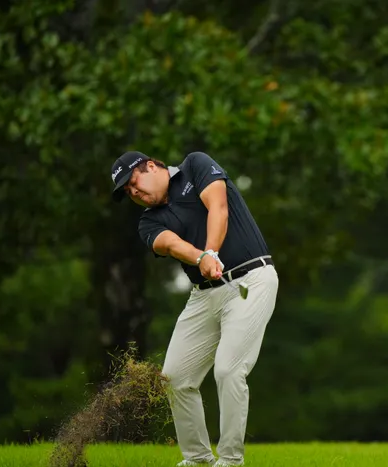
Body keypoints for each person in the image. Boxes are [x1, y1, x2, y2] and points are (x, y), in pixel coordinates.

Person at [110, 150, 279, 467]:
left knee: (228, 370)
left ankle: (230, 460)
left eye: (133, 182)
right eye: (128, 192)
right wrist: (200, 257)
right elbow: (171, 244)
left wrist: (211, 251)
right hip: (204, 295)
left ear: (151, 166)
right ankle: (197, 459)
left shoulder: (195, 166)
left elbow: (218, 207)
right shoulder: (148, 222)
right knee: (176, 377)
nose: (134, 192)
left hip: (250, 280)